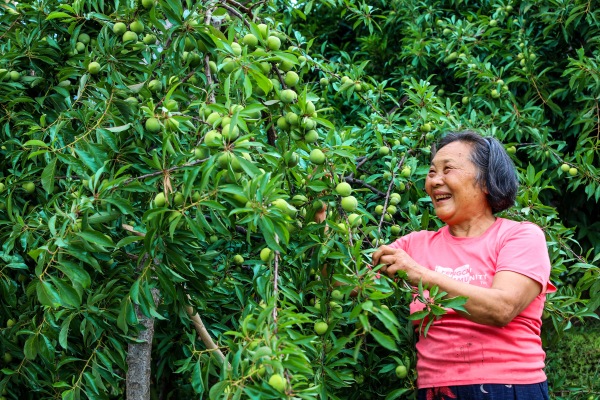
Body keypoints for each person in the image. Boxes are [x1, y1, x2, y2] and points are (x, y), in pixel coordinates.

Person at [372, 130, 555, 400]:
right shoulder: (414, 245)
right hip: (436, 391)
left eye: (448, 170)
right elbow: (351, 285)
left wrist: (421, 274)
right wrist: (321, 229)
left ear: (486, 182)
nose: (435, 180)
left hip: (508, 388)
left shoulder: (520, 236)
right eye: (432, 172)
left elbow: (502, 308)